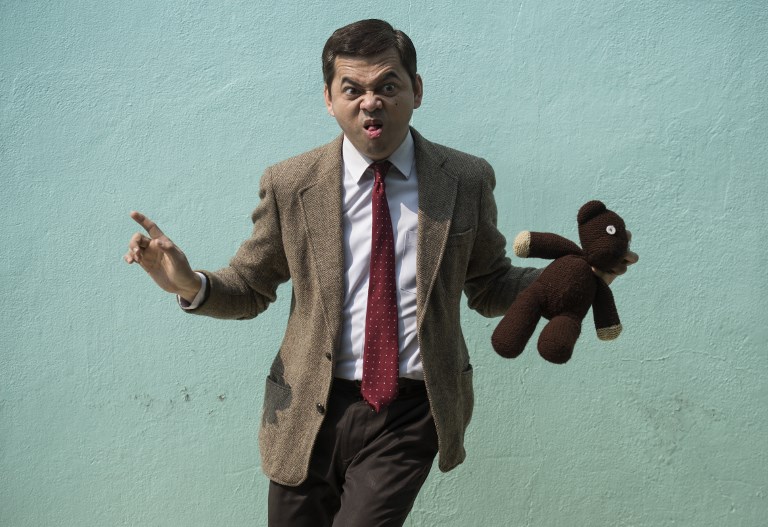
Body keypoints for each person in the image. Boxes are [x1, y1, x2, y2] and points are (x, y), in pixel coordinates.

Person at [124, 19, 637, 527]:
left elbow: (489, 284)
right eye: (353, 89)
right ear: (329, 98)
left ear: (415, 89)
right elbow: (252, 284)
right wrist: (190, 285)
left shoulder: (464, 179)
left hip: (409, 411)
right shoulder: (290, 184)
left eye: (388, 86)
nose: (372, 101)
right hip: (308, 406)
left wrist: (579, 280)